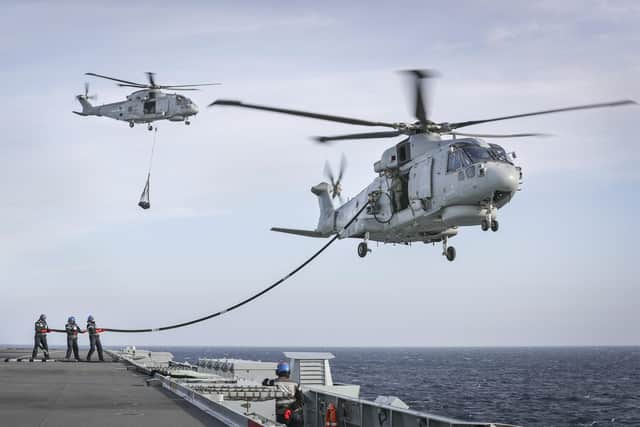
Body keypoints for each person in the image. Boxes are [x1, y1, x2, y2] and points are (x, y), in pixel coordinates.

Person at [263, 361, 302, 425]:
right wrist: (291, 409)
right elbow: (300, 400)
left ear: (278, 372)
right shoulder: (296, 384)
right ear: (288, 372)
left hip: (281, 414)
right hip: (294, 414)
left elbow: (265, 382)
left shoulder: (274, 382)